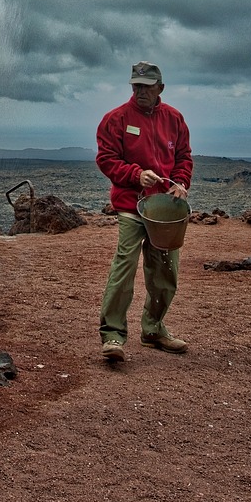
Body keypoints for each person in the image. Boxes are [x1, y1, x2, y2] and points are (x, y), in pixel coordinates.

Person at [96, 61, 193, 362]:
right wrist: (135, 174)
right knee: (124, 267)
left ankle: (153, 329)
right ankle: (113, 334)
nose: (140, 92)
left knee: (166, 271)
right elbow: (106, 159)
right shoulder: (116, 119)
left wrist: (180, 182)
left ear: (160, 88)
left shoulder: (174, 119)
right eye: (136, 86)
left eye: (146, 87)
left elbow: (184, 157)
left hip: (165, 210)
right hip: (130, 205)